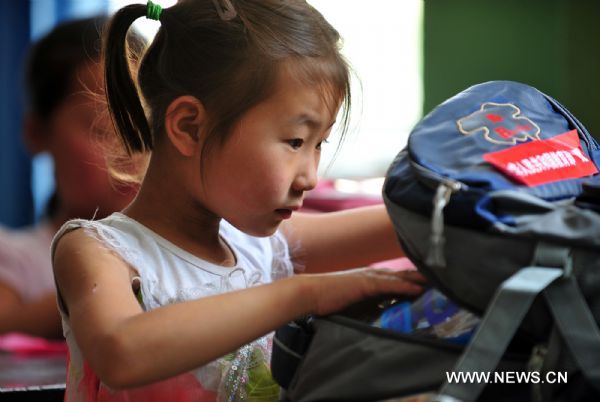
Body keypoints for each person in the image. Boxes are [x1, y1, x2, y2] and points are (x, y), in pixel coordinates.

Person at [52, 1, 425, 401]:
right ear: (189, 126)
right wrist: (306, 294)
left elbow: (422, 223)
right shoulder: (98, 251)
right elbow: (120, 351)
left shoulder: (260, 247)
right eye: (295, 141)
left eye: (320, 144)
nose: (311, 178)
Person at [0, 16, 142, 338]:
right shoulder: (15, 258)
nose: (130, 153)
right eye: (103, 129)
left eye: (144, 129)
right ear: (36, 133)